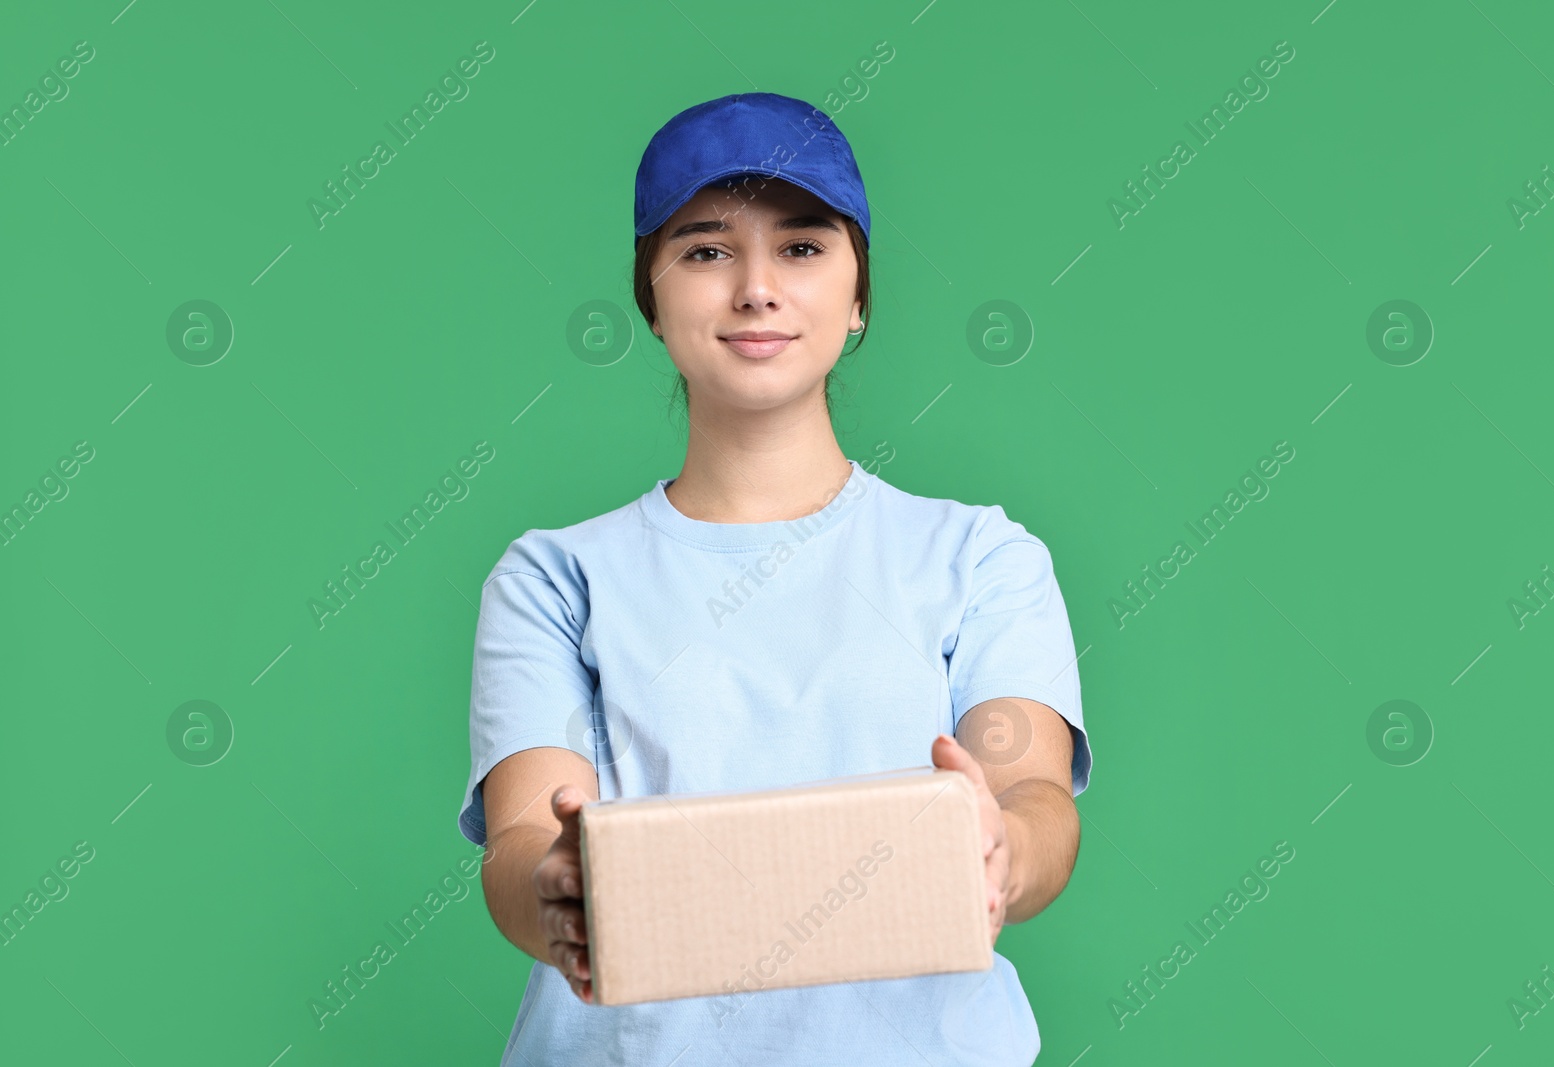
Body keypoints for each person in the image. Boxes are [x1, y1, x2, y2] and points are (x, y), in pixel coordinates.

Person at [458, 91, 1092, 1066]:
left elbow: (1037, 797)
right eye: (705, 250)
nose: (756, 287)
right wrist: (555, 896)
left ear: (859, 293)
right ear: (651, 296)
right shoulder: (557, 577)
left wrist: (1001, 846)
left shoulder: (979, 557)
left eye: (801, 248)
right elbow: (519, 844)